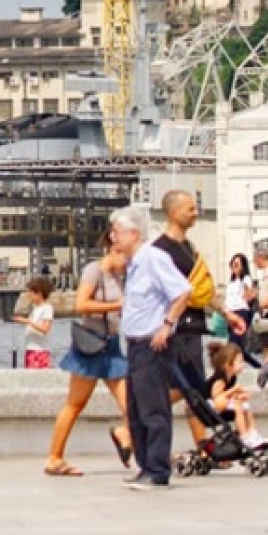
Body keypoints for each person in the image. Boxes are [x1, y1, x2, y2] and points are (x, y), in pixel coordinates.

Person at [154, 190, 242, 448]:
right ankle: (131, 425)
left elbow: (203, 290)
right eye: (190, 209)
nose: (196, 213)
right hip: (177, 327)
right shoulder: (161, 250)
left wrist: (226, 312)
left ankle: (204, 447)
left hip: (192, 325)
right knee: (189, 387)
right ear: (173, 213)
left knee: (193, 388)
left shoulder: (189, 248)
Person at [110, 204, 190, 489]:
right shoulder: (133, 264)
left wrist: (167, 325)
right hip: (134, 344)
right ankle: (144, 464)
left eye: (117, 232)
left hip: (151, 343)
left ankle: (157, 469)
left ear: (134, 233)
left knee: (154, 407)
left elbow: (182, 291)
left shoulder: (154, 258)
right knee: (135, 406)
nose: (113, 238)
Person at [43, 242, 130, 477]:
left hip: (112, 346)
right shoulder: (94, 270)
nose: (127, 262)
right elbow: (81, 304)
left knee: (131, 403)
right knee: (75, 404)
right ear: (114, 249)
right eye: (125, 256)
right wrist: (118, 305)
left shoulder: (123, 276)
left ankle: (125, 434)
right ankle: (54, 458)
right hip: (92, 345)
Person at [207, 342, 267, 449]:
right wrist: (234, 391)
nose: (242, 364)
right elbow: (216, 397)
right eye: (239, 362)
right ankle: (244, 436)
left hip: (220, 403)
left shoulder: (232, 377)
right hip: (211, 406)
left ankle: (252, 433)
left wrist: (239, 395)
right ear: (228, 365)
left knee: (245, 406)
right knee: (238, 407)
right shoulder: (220, 380)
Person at [224, 252, 261, 367]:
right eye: (232, 264)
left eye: (236, 265)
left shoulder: (246, 279)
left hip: (241, 312)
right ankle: (257, 365)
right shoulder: (231, 282)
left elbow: (249, 295)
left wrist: (248, 289)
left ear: (242, 266)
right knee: (238, 346)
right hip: (230, 313)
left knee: (232, 343)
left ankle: (227, 366)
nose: (234, 267)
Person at [16, 276, 55, 370]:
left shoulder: (47, 308)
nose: (29, 295)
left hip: (40, 352)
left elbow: (45, 329)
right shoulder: (35, 309)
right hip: (30, 349)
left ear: (39, 293)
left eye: (31, 292)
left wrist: (28, 321)